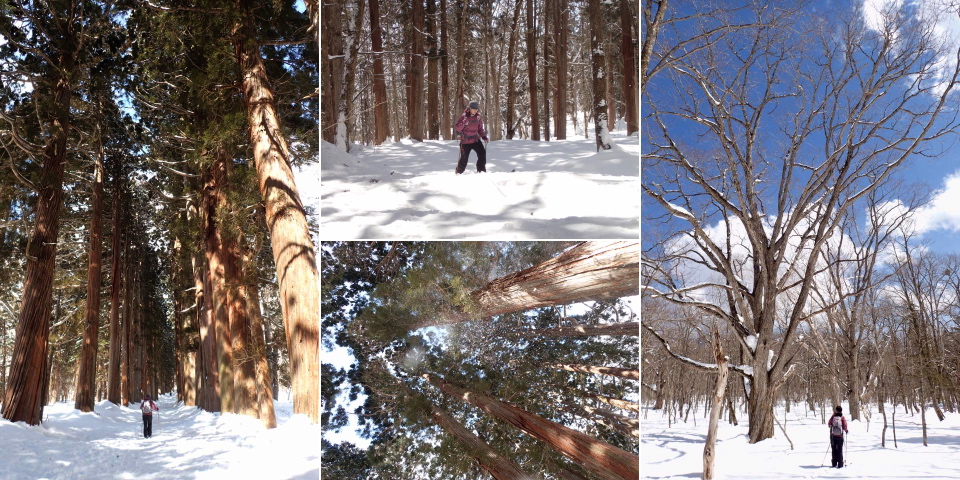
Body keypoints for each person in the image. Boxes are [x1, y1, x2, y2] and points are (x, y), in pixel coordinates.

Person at [454, 100, 489, 174]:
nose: (475, 111)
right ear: (470, 108)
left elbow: (480, 129)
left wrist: (484, 137)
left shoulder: (478, 117)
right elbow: (457, 128)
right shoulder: (464, 116)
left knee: (482, 154)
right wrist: (464, 122)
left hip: (475, 140)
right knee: (464, 159)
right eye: (474, 109)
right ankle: (459, 173)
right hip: (465, 141)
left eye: (476, 109)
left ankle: (481, 171)